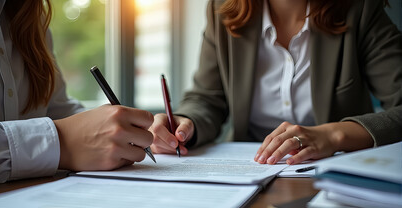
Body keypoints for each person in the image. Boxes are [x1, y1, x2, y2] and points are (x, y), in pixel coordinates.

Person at [149, 0, 402, 165]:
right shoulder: (222, 8)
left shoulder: (361, 9)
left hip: (335, 172)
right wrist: (186, 123)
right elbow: (206, 98)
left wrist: (334, 134)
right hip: (249, 169)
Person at [0, 0, 154, 186]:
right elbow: (66, 133)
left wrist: (127, 130)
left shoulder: (31, 17)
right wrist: (60, 142)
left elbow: (56, 109)